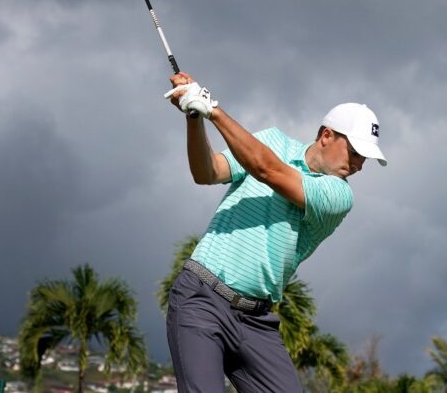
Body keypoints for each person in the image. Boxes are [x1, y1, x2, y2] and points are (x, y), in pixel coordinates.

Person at [164, 72, 387, 393]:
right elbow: (207, 172)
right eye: (355, 153)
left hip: (256, 322)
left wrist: (212, 108)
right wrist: (194, 116)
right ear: (327, 135)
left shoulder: (339, 196)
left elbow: (267, 170)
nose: (359, 165)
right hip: (201, 299)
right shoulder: (272, 141)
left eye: (364, 158)